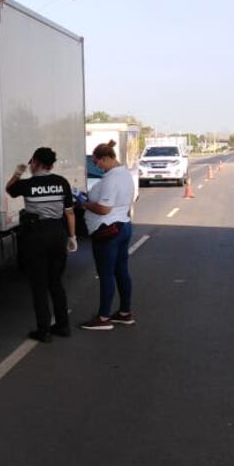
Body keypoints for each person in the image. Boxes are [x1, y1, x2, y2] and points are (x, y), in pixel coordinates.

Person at [6, 147, 78, 342]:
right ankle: (63, 326)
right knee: (56, 282)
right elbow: (69, 213)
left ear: (36, 162)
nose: (29, 165)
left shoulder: (28, 184)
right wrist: (72, 237)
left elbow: (9, 189)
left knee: (39, 285)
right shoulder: (62, 183)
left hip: (36, 235)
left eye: (31, 162)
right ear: (52, 165)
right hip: (58, 233)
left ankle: (44, 330)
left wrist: (17, 173)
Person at [80, 139, 135, 330]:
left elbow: (104, 209)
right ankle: (124, 312)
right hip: (123, 225)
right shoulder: (125, 174)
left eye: (97, 162)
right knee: (121, 271)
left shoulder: (112, 178)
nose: (96, 166)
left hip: (108, 228)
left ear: (106, 158)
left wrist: (84, 203)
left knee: (106, 274)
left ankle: (103, 318)